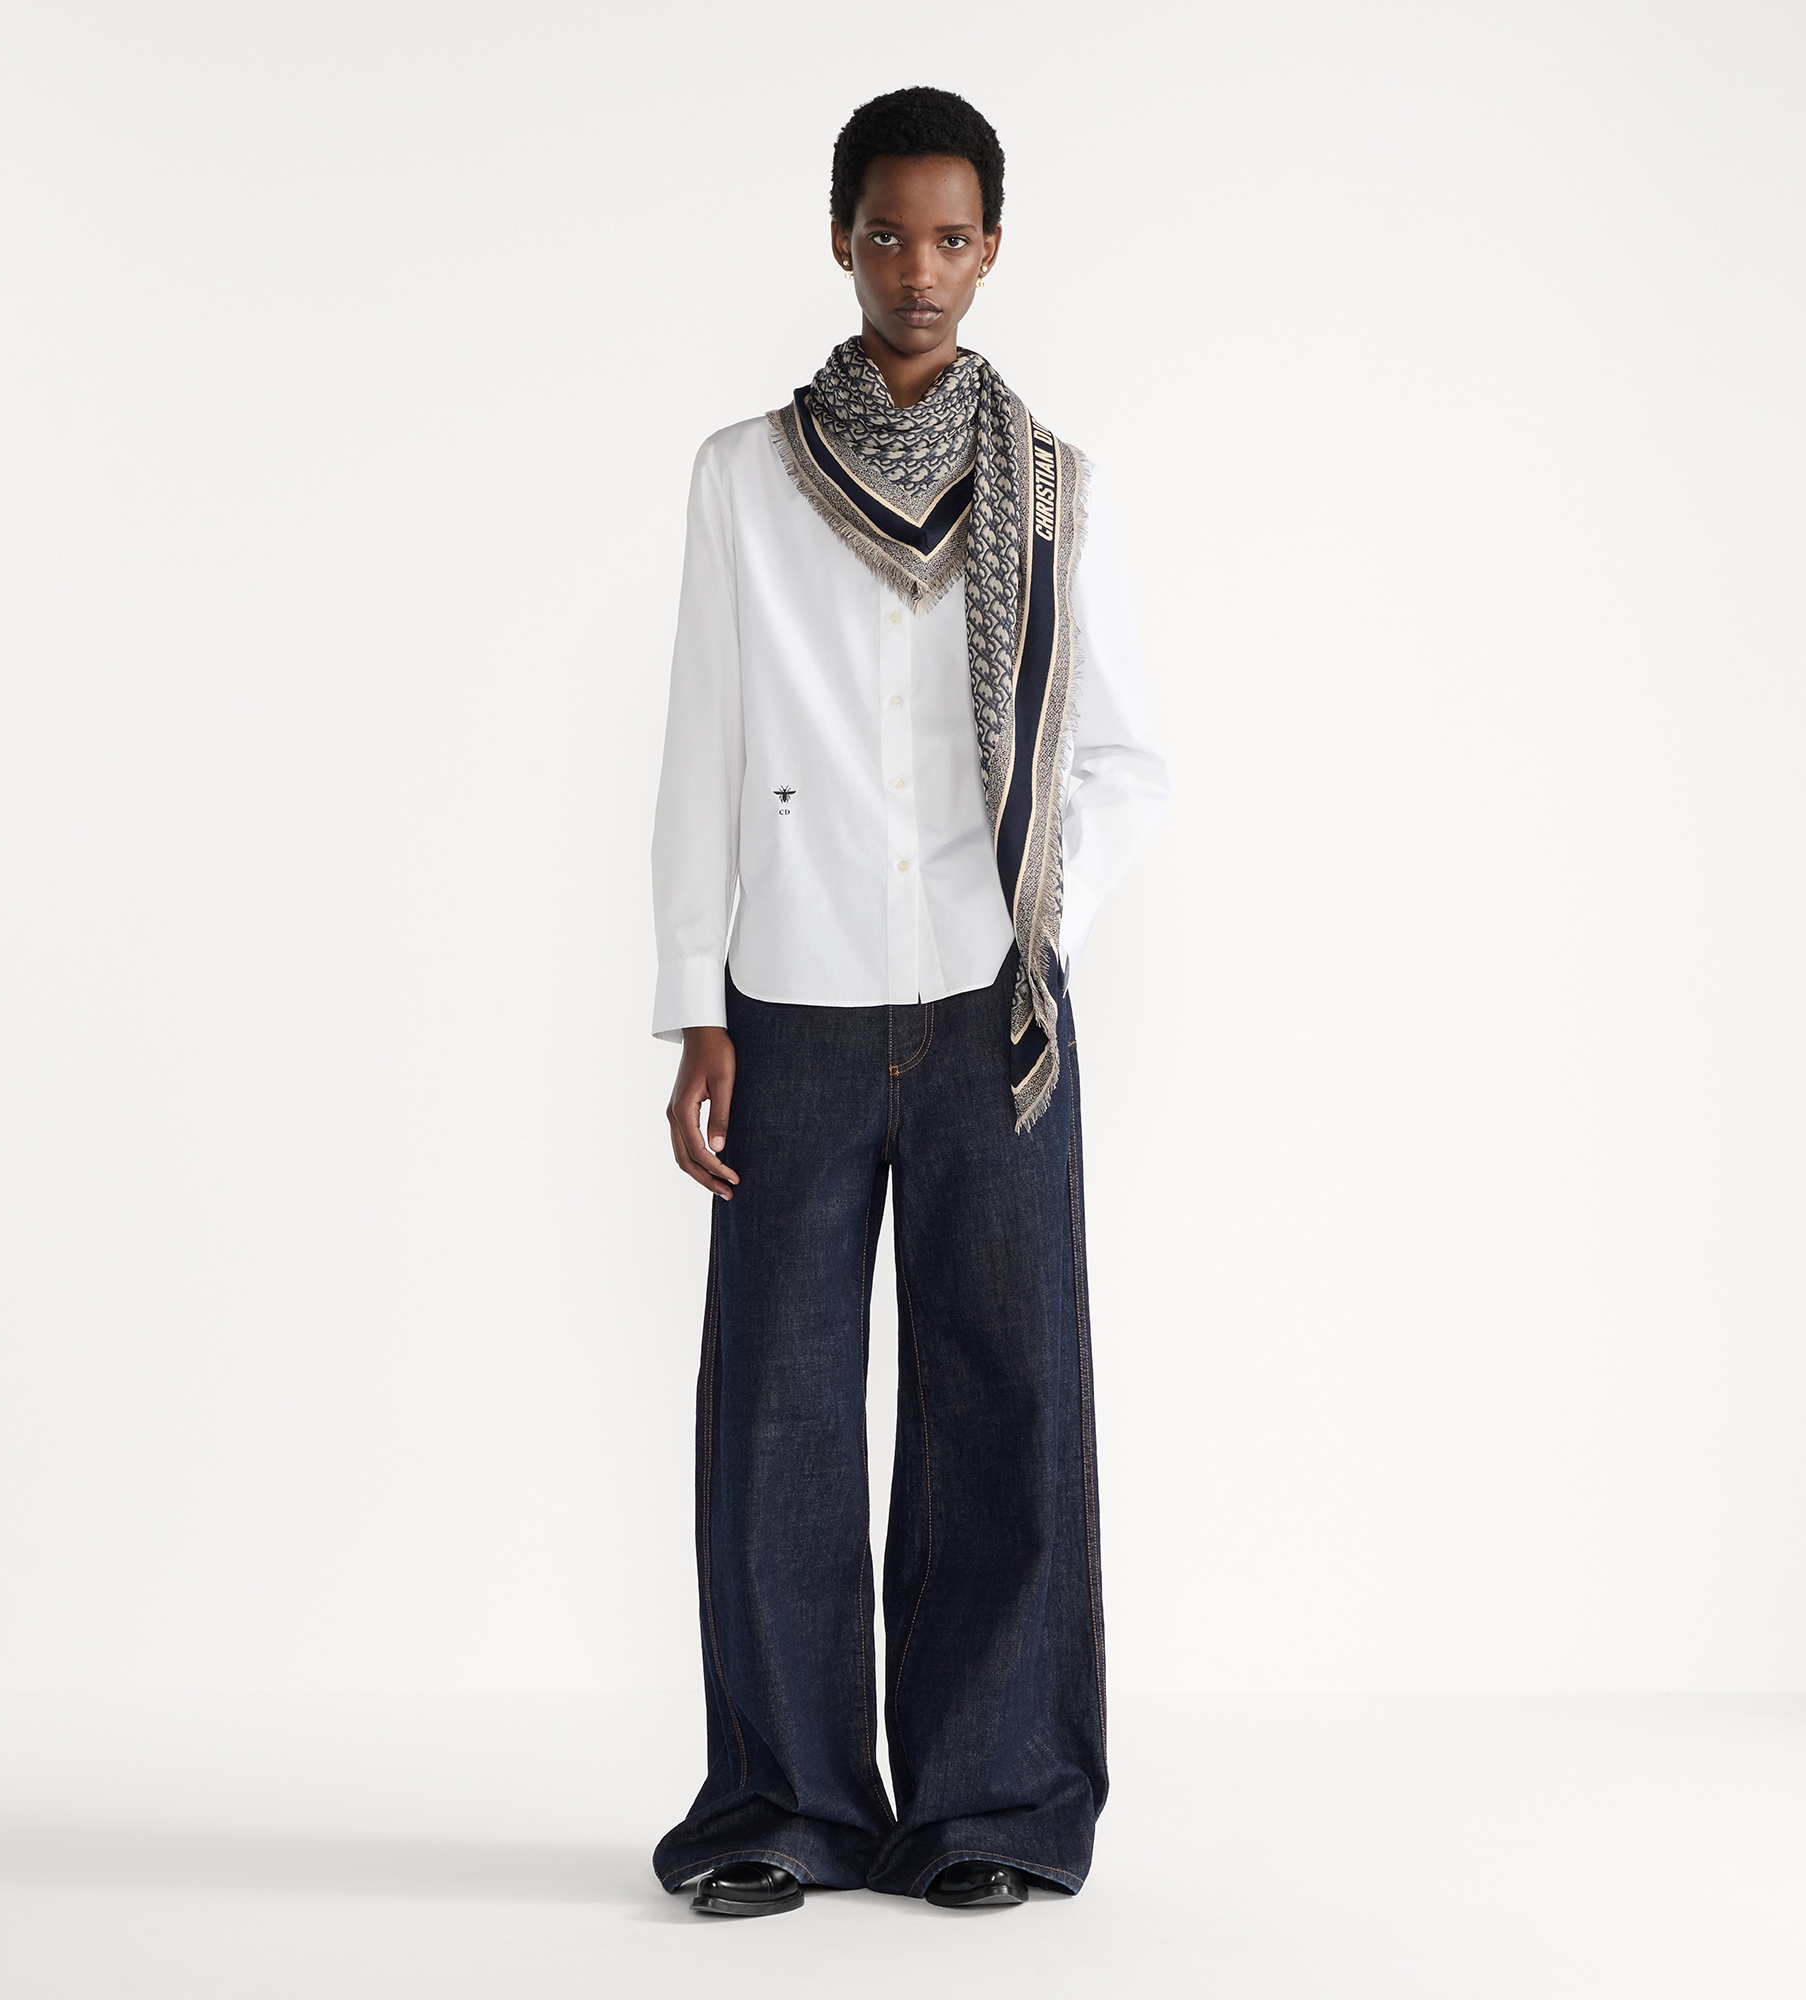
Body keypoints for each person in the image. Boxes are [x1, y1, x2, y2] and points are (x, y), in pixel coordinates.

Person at [646, 86, 1171, 1918]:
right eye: (888, 233)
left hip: (988, 1016)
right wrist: (691, 1004)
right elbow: (703, 748)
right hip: (788, 995)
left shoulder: (1052, 487)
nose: (919, 270)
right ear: (842, 239)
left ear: (993, 248)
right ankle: (781, 1804)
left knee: (998, 1402)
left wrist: (1035, 919)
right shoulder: (741, 475)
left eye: (952, 238)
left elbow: (1125, 761)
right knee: (777, 1407)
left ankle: (989, 1802)